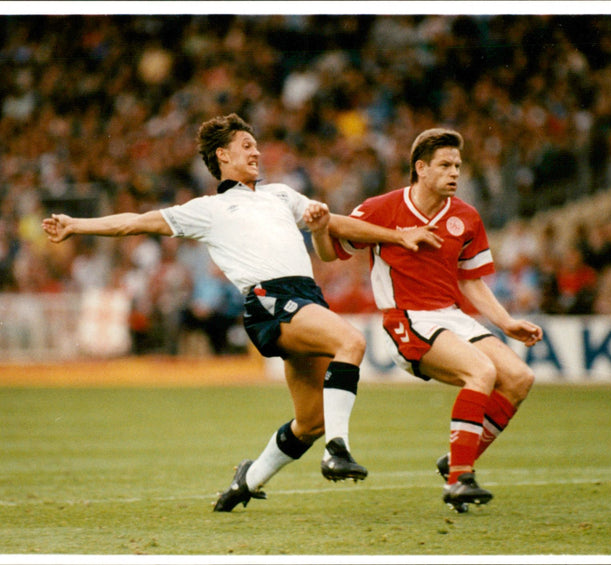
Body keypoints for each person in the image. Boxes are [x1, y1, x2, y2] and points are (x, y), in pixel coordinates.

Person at [42, 113, 441, 512]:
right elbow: (135, 223)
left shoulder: (282, 195)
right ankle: (338, 450)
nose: (257, 151)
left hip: (306, 300)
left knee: (311, 423)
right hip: (270, 302)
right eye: (247, 146)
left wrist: (398, 236)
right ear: (223, 155)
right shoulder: (210, 209)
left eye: (256, 145)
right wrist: (76, 225)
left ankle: (246, 481)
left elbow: (338, 224)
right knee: (351, 341)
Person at [315, 128, 543, 513]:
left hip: (451, 317)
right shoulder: (383, 207)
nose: (454, 172)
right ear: (420, 168)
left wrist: (506, 322)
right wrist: (325, 228)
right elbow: (330, 246)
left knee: (520, 379)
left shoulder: (466, 217)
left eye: (457, 165)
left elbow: (470, 280)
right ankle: (459, 479)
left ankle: (456, 458)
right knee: (481, 373)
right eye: (444, 165)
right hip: (407, 317)